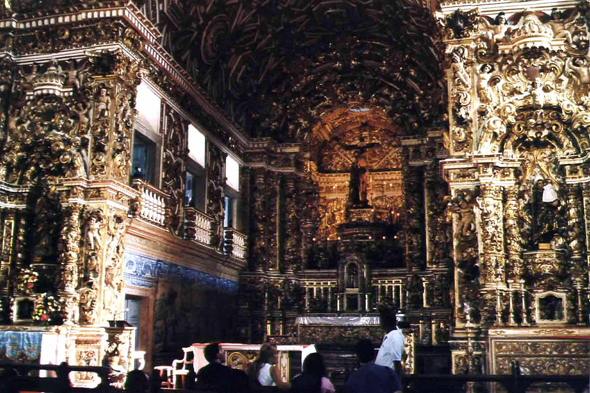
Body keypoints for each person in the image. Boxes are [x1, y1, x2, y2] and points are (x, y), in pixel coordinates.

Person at [375, 305, 405, 377]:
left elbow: (397, 363)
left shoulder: (394, 337)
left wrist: (398, 386)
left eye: (381, 320)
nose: (380, 323)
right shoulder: (389, 335)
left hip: (387, 379)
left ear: (386, 321)